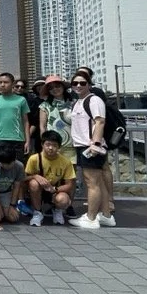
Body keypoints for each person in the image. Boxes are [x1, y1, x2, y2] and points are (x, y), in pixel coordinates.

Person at [69, 73, 115, 229]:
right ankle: (106, 215)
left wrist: (95, 143)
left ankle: (91, 218)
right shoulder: (78, 102)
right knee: (99, 182)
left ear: (89, 84)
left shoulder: (93, 100)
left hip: (90, 146)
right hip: (82, 145)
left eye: (82, 83)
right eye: (75, 83)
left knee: (92, 182)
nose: (78, 86)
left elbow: (100, 121)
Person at [25, 131, 76, 226]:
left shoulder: (65, 162)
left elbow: (70, 185)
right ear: (42, 145)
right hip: (39, 190)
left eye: (54, 145)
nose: (51, 148)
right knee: (33, 183)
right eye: (48, 144)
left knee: (63, 199)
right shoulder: (34, 158)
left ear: (59, 147)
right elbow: (24, 178)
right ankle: (37, 212)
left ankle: (57, 210)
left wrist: (55, 189)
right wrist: (35, 176)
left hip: (55, 191)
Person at [0, 72, 31, 160]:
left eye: (6, 82)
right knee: (0, 167)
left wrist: (27, 141)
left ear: (12, 84)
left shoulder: (21, 100)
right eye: (0, 82)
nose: (2, 85)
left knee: (18, 166)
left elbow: (25, 122)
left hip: (18, 139)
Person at [39, 74, 75, 164]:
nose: (55, 89)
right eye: (51, 88)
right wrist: (45, 144)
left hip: (72, 144)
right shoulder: (45, 105)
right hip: (53, 146)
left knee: (72, 173)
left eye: (57, 86)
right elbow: (42, 127)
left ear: (63, 87)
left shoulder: (74, 103)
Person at [0, 147, 26, 224]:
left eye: (9, 164)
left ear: (14, 159)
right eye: (3, 164)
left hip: (6, 192)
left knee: (13, 218)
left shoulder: (19, 166)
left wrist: (12, 205)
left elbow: (17, 187)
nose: (6, 166)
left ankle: (4, 211)